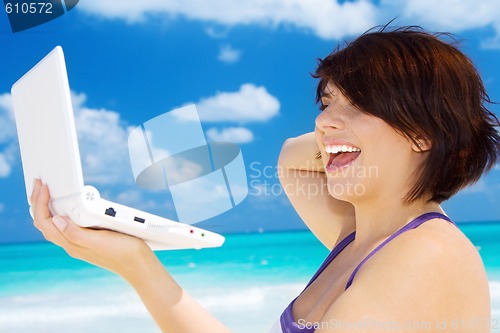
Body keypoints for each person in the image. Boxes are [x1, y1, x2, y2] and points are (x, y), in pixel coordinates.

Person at [30, 25, 499, 332]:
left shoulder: (421, 257)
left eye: (356, 102)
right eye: (326, 102)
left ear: (421, 132)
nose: (322, 122)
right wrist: (349, 136)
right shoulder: (361, 238)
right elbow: (290, 161)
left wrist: (139, 267)